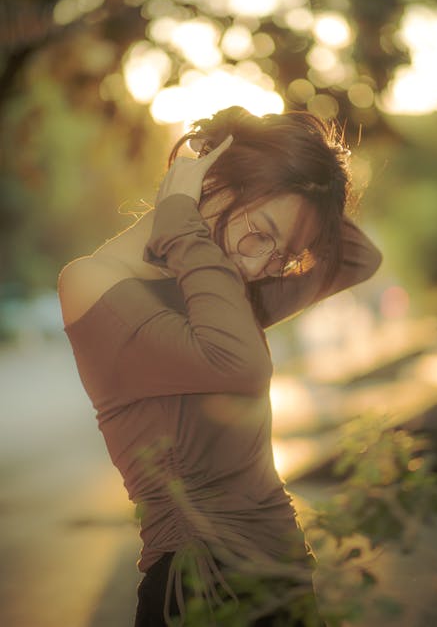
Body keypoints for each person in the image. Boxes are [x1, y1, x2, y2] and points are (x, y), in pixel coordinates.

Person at [58, 106, 382, 627]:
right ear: (209, 182)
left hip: (284, 576)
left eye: (284, 257)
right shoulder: (91, 281)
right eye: (260, 233)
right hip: (202, 585)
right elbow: (239, 366)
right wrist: (182, 221)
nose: (259, 266)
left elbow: (360, 256)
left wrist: (308, 181)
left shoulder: (225, 288)